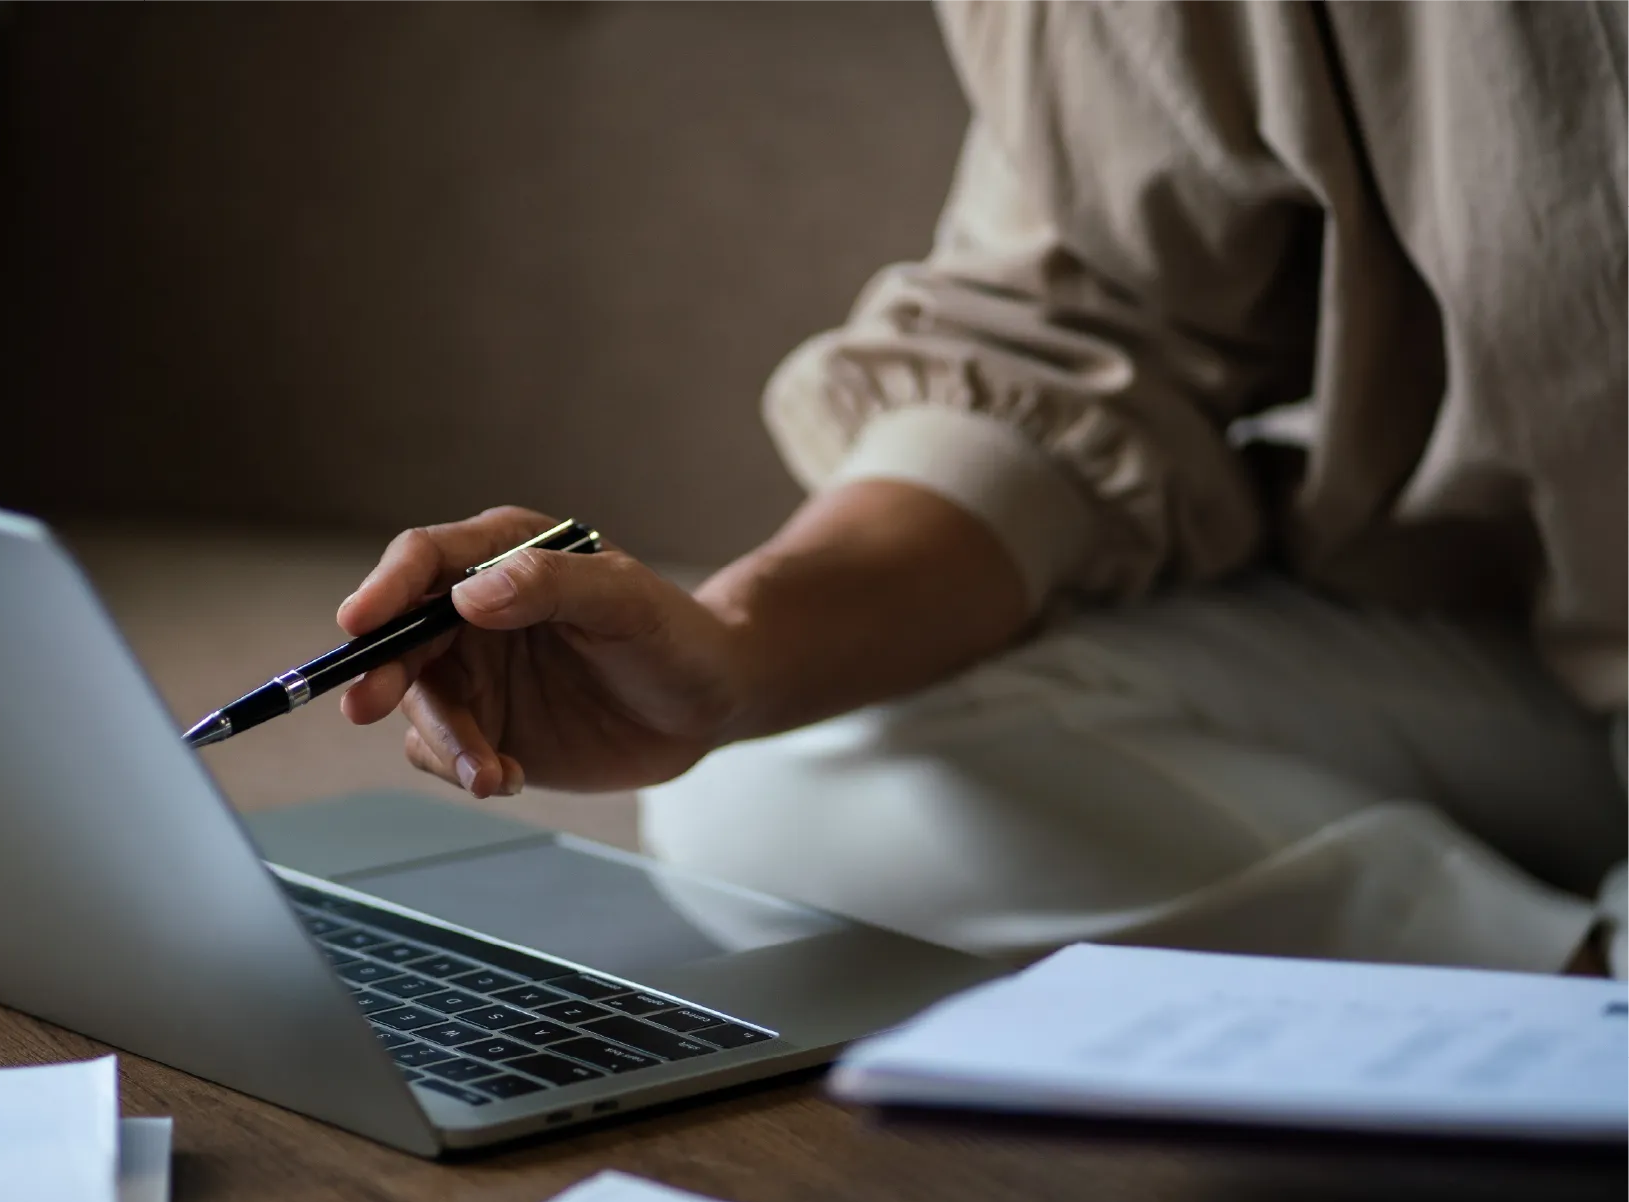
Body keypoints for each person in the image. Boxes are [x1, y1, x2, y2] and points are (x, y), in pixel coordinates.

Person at [332, 1, 1629, 976]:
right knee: (770, 779)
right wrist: (728, 652)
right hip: (1541, 662)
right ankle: (1558, 995)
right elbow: (1090, 330)